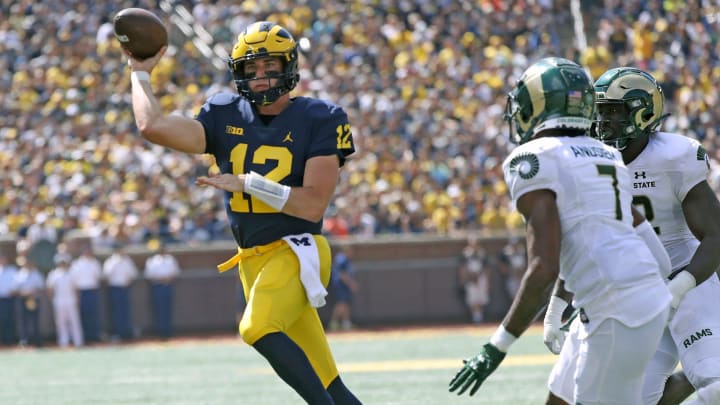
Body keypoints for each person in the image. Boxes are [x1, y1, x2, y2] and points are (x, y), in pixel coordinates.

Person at [123, 21, 361, 403]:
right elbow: (153, 126)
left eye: (269, 67)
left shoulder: (322, 117)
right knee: (332, 386)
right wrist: (139, 74)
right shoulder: (223, 112)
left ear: (289, 66)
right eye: (251, 69)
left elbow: (314, 203)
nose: (261, 77)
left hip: (297, 251)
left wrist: (251, 183)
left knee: (255, 328)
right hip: (253, 262)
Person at [449, 57, 672, 404]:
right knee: (560, 398)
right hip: (626, 301)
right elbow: (653, 249)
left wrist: (497, 347)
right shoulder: (604, 153)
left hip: (616, 309)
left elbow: (544, 268)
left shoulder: (534, 158)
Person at [546, 67, 720, 405]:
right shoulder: (590, 161)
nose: (603, 120)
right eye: (599, 111)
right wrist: (557, 304)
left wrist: (680, 286)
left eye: (613, 110)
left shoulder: (675, 156)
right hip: (637, 294)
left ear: (644, 110)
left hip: (690, 282)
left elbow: (716, 235)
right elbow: (583, 239)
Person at [143, 241, 180, 340]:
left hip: (168, 286)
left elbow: (175, 272)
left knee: (168, 309)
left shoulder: (171, 259)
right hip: (158, 286)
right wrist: (161, 279)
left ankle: (168, 331)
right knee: (159, 309)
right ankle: (160, 332)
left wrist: (169, 279)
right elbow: (149, 275)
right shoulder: (152, 261)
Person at [46, 253, 84, 348]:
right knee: (61, 323)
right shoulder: (54, 274)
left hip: (71, 301)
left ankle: (78, 341)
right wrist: (53, 300)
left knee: (75, 322)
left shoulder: (72, 273)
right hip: (59, 302)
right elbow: (50, 289)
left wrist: (77, 300)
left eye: (64, 262)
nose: (62, 264)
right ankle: (64, 342)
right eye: (61, 262)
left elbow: (76, 288)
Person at [103, 242, 138, 342]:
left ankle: (126, 333)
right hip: (115, 288)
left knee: (125, 312)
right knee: (116, 312)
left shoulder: (127, 261)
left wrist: (128, 282)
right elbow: (106, 276)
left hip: (125, 288)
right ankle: (117, 333)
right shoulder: (111, 261)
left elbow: (133, 274)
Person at [69, 247, 103, 343]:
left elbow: (99, 276)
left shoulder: (95, 263)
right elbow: (74, 280)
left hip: (93, 290)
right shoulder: (77, 264)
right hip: (82, 291)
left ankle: (94, 335)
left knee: (94, 314)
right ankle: (85, 337)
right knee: (83, 314)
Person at [14, 256, 45, 347]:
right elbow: (15, 289)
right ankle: (24, 340)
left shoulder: (37, 274)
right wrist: (23, 292)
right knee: (23, 321)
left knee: (35, 320)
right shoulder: (19, 274)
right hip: (23, 300)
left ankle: (37, 341)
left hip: (34, 299)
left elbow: (42, 288)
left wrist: (33, 292)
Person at [456, 236, 489, 324]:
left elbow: (486, 268)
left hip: (481, 277)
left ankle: (480, 316)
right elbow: (462, 268)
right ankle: (476, 317)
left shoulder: (482, 253)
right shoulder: (465, 253)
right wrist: (464, 279)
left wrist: (486, 281)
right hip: (469, 278)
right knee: (472, 298)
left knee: (481, 298)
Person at [329, 245, 358, 331]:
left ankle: (346, 323)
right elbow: (342, 274)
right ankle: (334, 323)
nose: (351, 253)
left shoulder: (344, 259)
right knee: (341, 304)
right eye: (350, 251)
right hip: (340, 285)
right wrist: (351, 283)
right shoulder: (341, 259)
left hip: (343, 285)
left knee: (345, 304)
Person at [0, 254, 19, 346]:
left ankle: (9, 340)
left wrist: (13, 290)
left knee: (9, 320)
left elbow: (16, 283)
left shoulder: (12, 270)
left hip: (9, 298)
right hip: (0, 299)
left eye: (4, 259)